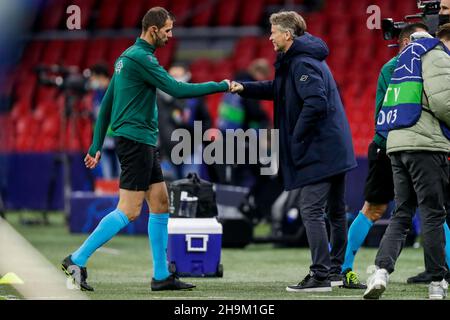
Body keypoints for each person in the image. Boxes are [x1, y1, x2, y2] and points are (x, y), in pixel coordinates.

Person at [61, 7, 231, 292]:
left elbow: (106, 105)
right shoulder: (142, 58)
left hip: (142, 141)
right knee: (128, 210)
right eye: (167, 30)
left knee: (161, 202)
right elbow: (177, 89)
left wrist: (95, 145)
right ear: (153, 29)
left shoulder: (125, 58)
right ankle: (77, 259)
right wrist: (221, 85)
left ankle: (162, 275)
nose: (170, 35)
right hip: (136, 141)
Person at [231, 11, 357, 292]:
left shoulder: (301, 62)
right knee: (336, 211)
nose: (270, 36)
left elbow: (315, 103)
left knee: (311, 209)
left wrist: (295, 137)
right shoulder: (302, 59)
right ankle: (335, 271)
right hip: (334, 147)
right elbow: (281, 89)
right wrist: (245, 88)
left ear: (287, 35)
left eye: (274, 31)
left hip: (320, 150)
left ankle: (320, 275)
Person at [363, 23, 450, 300]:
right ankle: (437, 282)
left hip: (397, 144)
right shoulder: (435, 54)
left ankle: (380, 271)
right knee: (433, 213)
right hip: (425, 144)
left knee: (402, 213)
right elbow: (444, 103)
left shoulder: (403, 58)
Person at [340, 23, 429, 290]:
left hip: (407, 145)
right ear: (405, 43)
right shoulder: (393, 69)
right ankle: (344, 269)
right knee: (376, 208)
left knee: (432, 210)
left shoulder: (424, 67)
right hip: (389, 146)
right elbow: (385, 115)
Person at [157, 62, 212, 180]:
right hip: (165, 155)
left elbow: (206, 121)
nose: (175, 79)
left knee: (190, 189)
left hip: (190, 152)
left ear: (187, 75)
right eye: (172, 76)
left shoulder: (196, 96)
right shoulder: (160, 97)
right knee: (169, 191)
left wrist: (195, 136)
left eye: (178, 76)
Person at [89, 63, 120, 179]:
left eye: (93, 78)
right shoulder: (96, 94)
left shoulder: (116, 90)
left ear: (101, 77)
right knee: (107, 178)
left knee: (122, 176)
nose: (92, 81)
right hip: (104, 141)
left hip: (118, 138)